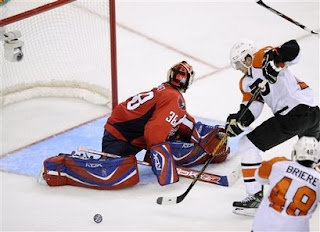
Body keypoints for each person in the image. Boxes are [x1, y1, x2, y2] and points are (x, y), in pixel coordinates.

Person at [39, 61, 229, 190]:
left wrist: (209, 134)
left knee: (172, 138)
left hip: (121, 133)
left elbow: (184, 122)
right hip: (121, 139)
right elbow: (154, 134)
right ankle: (66, 165)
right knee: (121, 174)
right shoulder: (174, 99)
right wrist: (163, 165)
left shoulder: (166, 93)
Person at [226, 39, 320, 216]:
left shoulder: (261, 57)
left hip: (295, 113)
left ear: (247, 58)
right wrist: (238, 122)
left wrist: (277, 60)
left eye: (238, 63)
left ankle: (254, 196)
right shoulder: (246, 83)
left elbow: (294, 49)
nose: (238, 68)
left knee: (247, 145)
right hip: (313, 113)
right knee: (311, 153)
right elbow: (251, 109)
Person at [252, 136, 320, 232]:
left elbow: (258, 177)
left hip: (263, 226)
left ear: (295, 152)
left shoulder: (278, 163)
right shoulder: (318, 178)